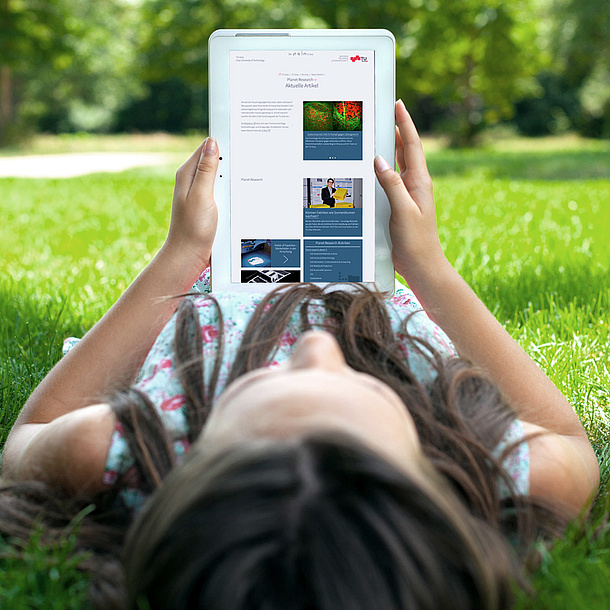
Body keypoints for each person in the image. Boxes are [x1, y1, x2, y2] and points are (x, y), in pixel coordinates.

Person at [0, 100, 599, 610]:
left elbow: (35, 431)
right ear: (428, 474)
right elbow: (566, 439)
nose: (318, 346)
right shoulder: (494, 472)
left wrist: (182, 254)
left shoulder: (123, 449)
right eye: (368, 384)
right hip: (369, 279)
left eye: (261, 380)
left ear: (196, 458)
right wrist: (428, 268)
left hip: (231, 280)